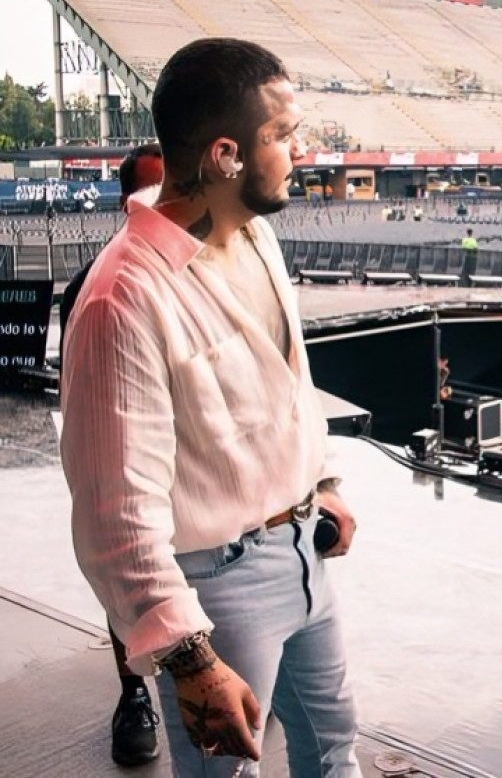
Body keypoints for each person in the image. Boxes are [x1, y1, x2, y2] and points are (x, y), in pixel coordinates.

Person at [60, 38, 363, 777]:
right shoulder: (121, 299)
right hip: (216, 586)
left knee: (334, 751)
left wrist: (321, 481)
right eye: (282, 136)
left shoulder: (257, 236)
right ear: (226, 155)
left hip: (303, 554)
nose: (301, 151)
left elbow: (289, 383)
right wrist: (190, 659)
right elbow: (115, 514)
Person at [58, 142, 165, 768]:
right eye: (150, 190)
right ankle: (134, 696)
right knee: (125, 596)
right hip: (130, 472)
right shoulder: (93, 290)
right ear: (127, 202)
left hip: (197, 476)